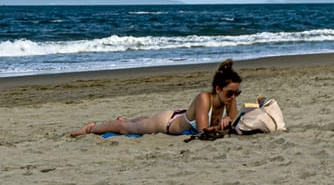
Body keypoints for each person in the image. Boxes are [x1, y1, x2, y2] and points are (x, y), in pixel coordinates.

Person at [70, 59, 244, 138]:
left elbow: (234, 121)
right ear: (218, 89)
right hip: (166, 123)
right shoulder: (204, 98)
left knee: (135, 122)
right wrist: (223, 125)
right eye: (230, 93)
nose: (233, 96)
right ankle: (90, 129)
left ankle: (122, 120)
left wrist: (230, 119)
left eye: (237, 93)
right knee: (125, 128)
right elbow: (202, 131)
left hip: (179, 116)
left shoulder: (230, 98)